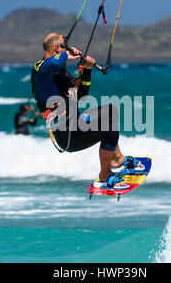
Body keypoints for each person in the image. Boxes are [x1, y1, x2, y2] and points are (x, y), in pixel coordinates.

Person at [31, 33, 143, 189]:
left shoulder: (61, 73)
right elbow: (52, 64)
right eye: (65, 46)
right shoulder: (40, 69)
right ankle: (105, 176)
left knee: (110, 111)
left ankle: (117, 159)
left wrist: (88, 70)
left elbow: (82, 96)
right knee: (109, 130)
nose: (69, 49)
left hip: (76, 125)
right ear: (57, 48)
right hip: (68, 136)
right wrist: (67, 55)